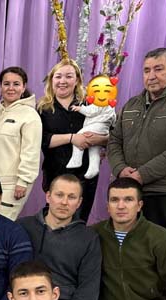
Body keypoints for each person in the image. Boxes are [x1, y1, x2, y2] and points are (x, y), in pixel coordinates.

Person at [107, 47, 166, 231]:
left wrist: (143, 174)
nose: (151, 76)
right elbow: (114, 140)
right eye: (146, 70)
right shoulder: (132, 103)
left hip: (160, 192)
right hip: (124, 189)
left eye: (158, 69)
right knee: (119, 242)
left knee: (154, 246)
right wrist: (120, 169)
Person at [19, 174, 101, 300]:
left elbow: (88, 290)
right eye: (59, 195)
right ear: (48, 196)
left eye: (71, 197)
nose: (64, 202)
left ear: (79, 202)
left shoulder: (88, 238)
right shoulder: (23, 227)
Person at [37, 58, 108, 222]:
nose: (63, 81)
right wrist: (72, 138)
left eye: (69, 76)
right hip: (55, 173)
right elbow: (41, 140)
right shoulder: (42, 108)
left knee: (79, 221)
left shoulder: (91, 104)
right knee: (55, 221)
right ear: (52, 80)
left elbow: (110, 134)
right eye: (58, 76)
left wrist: (98, 139)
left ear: (77, 81)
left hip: (85, 176)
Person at [0, 67, 42, 220]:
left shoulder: (30, 115)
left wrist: (23, 181)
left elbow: (31, 152)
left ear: (24, 87)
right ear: (0, 87)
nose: (11, 88)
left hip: (12, 186)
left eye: (16, 84)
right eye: (6, 84)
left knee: (1, 226)